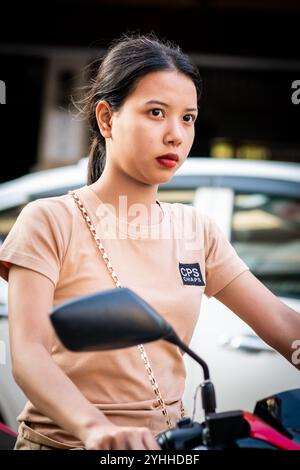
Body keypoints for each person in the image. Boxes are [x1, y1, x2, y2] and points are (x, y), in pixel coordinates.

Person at [0, 33, 299, 451]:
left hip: (169, 447)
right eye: (156, 112)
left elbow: (283, 325)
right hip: (66, 444)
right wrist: (94, 427)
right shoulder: (49, 220)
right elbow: (29, 355)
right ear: (107, 119)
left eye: (188, 118)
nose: (176, 135)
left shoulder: (197, 229)